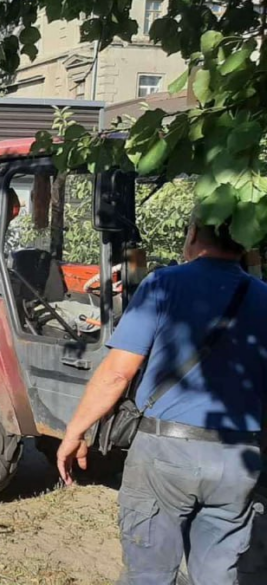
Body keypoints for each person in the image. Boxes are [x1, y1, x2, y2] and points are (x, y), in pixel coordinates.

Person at [57, 211, 267, 584]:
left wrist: (76, 432)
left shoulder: (164, 284)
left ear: (192, 236)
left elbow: (118, 373)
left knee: (150, 574)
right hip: (238, 458)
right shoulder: (263, 296)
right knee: (218, 575)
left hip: (166, 455)